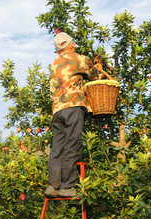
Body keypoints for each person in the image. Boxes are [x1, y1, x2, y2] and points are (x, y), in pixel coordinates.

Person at [44, 31, 103, 198]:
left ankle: (52, 185)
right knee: (72, 145)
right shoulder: (79, 59)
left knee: (57, 148)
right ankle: (68, 186)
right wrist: (98, 65)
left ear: (58, 50)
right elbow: (95, 76)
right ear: (71, 44)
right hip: (73, 107)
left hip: (57, 110)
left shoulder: (55, 63)